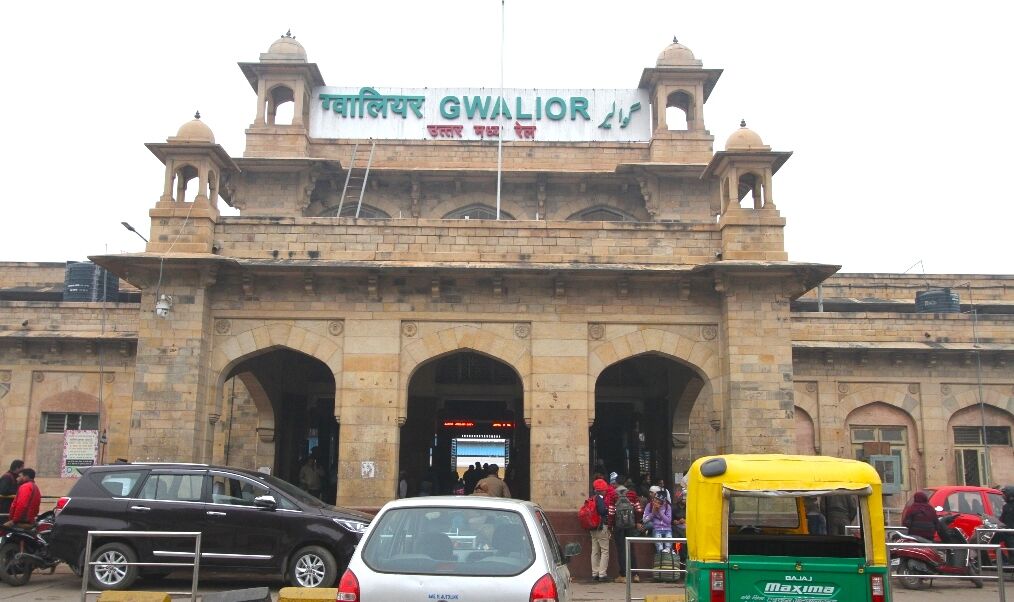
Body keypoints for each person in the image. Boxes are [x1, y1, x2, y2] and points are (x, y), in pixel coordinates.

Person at [609, 477, 644, 583]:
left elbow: (611, 512)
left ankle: (623, 575)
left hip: (618, 526)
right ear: (625, 483)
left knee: (621, 550)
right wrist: (637, 521)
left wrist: (610, 525)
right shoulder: (632, 494)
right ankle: (636, 575)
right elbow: (639, 509)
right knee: (631, 549)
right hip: (630, 526)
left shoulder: (613, 495)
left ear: (616, 483)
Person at [589, 478, 611, 582]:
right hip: (601, 527)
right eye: (605, 490)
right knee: (604, 551)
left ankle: (595, 573)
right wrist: (607, 510)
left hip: (592, 528)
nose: (606, 491)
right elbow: (602, 511)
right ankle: (602, 574)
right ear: (602, 490)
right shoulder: (600, 499)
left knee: (595, 551)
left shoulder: (591, 498)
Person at [643, 486, 673, 553]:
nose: (656, 503)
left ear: (664, 502)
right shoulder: (649, 505)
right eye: (655, 501)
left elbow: (668, 521)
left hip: (667, 529)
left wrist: (659, 512)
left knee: (668, 548)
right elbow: (644, 520)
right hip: (656, 529)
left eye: (659, 502)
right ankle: (660, 557)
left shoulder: (668, 507)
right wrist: (653, 513)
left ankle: (667, 556)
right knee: (660, 548)